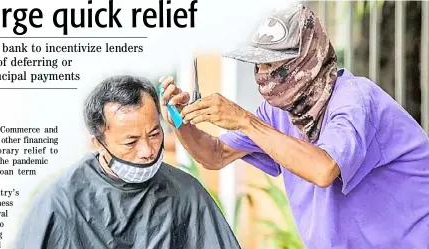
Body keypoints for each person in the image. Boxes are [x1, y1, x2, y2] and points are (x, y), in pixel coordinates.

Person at [159, 4, 429, 249]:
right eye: (258, 64)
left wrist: (244, 120)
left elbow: (324, 169)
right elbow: (216, 154)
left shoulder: (352, 99)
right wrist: (181, 123)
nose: (263, 75)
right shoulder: (279, 111)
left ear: (306, 60)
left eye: (273, 64)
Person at [13, 76, 241, 249]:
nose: (147, 151)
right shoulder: (62, 202)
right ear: (98, 143)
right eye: (130, 142)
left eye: (154, 134)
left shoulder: (186, 193)